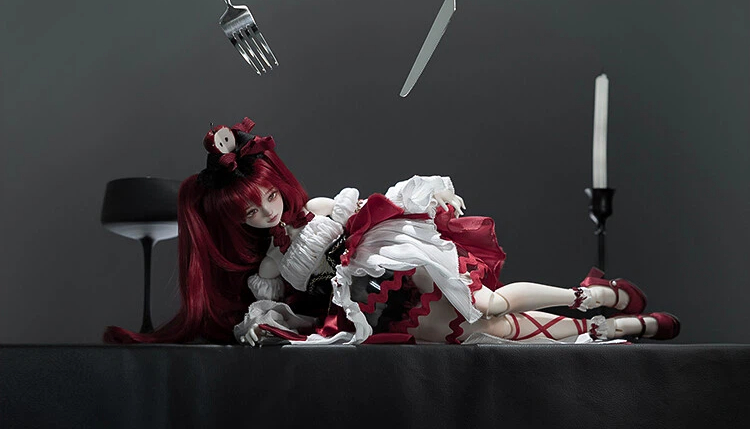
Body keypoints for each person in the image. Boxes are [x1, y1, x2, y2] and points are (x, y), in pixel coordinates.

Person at [104, 118, 680, 345]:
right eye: (250, 214)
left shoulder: (321, 210)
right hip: (374, 311)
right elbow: (275, 307)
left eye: (268, 199)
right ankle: (616, 326)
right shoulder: (271, 268)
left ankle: (591, 297)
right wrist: (262, 324)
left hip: (399, 268)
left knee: (487, 305)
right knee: (488, 336)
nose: (266, 214)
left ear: (279, 184)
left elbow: (376, 206)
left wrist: (432, 200)